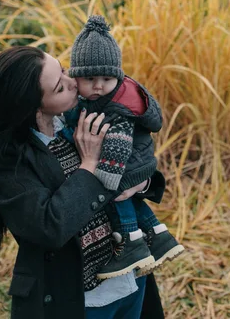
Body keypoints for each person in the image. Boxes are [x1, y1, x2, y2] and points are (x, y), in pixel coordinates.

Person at [0, 46, 165, 319]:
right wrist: (89, 165)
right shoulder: (8, 161)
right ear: (31, 106)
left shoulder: (80, 116)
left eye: (64, 69)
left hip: (131, 276)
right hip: (79, 298)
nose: (74, 82)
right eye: (59, 87)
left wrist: (141, 184)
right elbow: (49, 226)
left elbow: (134, 157)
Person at [63, 15, 184, 279]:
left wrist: (105, 180)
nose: (98, 85)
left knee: (115, 196)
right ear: (76, 78)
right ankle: (158, 236)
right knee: (128, 197)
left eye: (107, 78)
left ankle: (131, 242)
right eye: (90, 78)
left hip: (123, 166)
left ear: (118, 77)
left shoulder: (116, 107)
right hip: (136, 164)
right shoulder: (103, 100)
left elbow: (119, 142)